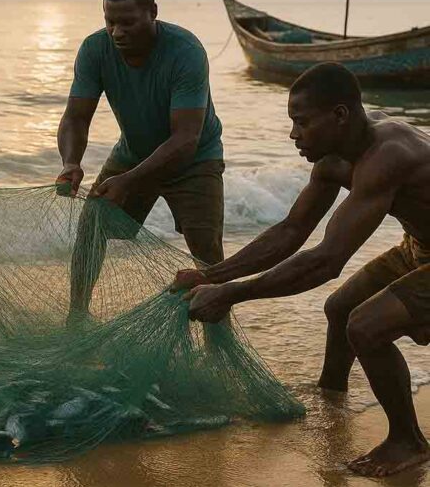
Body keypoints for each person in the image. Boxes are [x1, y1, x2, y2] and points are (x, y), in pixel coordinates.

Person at [176, 62, 430, 477]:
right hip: (419, 245)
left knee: (365, 326)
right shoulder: (335, 158)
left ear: (340, 115)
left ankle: (409, 440)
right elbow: (292, 230)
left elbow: (326, 261)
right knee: (340, 309)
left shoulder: (387, 156)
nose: (293, 134)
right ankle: (332, 397)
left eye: (302, 122)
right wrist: (213, 276)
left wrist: (232, 295)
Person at [56, 0, 224, 325]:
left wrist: (129, 182)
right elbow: (76, 118)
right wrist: (71, 162)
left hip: (194, 160)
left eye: (128, 22)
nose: (117, 32)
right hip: (132, 153)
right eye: (109, 22)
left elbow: (185, 138)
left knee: (208, 254)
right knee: (93, 225)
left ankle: (218, 334)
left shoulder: (185, 52)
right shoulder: (94, 49)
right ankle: (76, 318)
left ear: (153, 13)